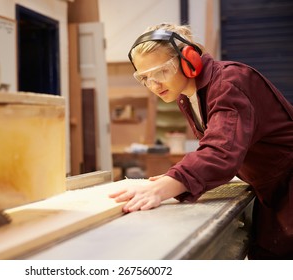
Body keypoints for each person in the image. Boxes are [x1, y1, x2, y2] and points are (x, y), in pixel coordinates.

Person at [109, 23, 293, 259]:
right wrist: (174, 178)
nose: (154, 85)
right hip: (271, 189)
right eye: (145, 78)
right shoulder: (187, 97)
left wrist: (168, 184)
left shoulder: (229, 82)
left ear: (190, 59)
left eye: (162, 71)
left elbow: (221, 151)